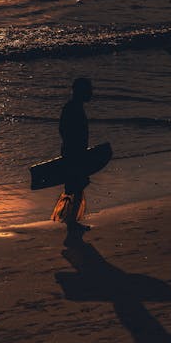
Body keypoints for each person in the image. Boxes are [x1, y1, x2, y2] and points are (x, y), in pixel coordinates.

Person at [51, 77, 93, 243]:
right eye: (89, 91)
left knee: (77, 186)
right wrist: (74, 148)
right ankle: (71, 223)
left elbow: (62, 129)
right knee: (75, 185)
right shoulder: (72, 108)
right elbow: (63, 129)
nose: (91, 94)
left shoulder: (74, 107)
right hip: (73, 152)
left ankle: (72, 222)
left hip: (74, 151)